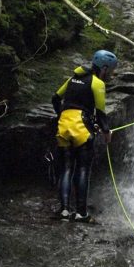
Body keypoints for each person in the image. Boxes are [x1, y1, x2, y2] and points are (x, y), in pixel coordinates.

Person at [50, 50, 117, 222]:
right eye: (110, 70)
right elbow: (101, 113)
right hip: (81, 129)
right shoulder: (97, 83)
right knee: (82, 169)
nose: (111, 74)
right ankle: (81, 213)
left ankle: (64, 210)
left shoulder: (72, 79)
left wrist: (61, 116)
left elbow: (55, 98)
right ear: (103, 68)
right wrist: (107, 131)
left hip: (63, 127)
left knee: (65, 169)